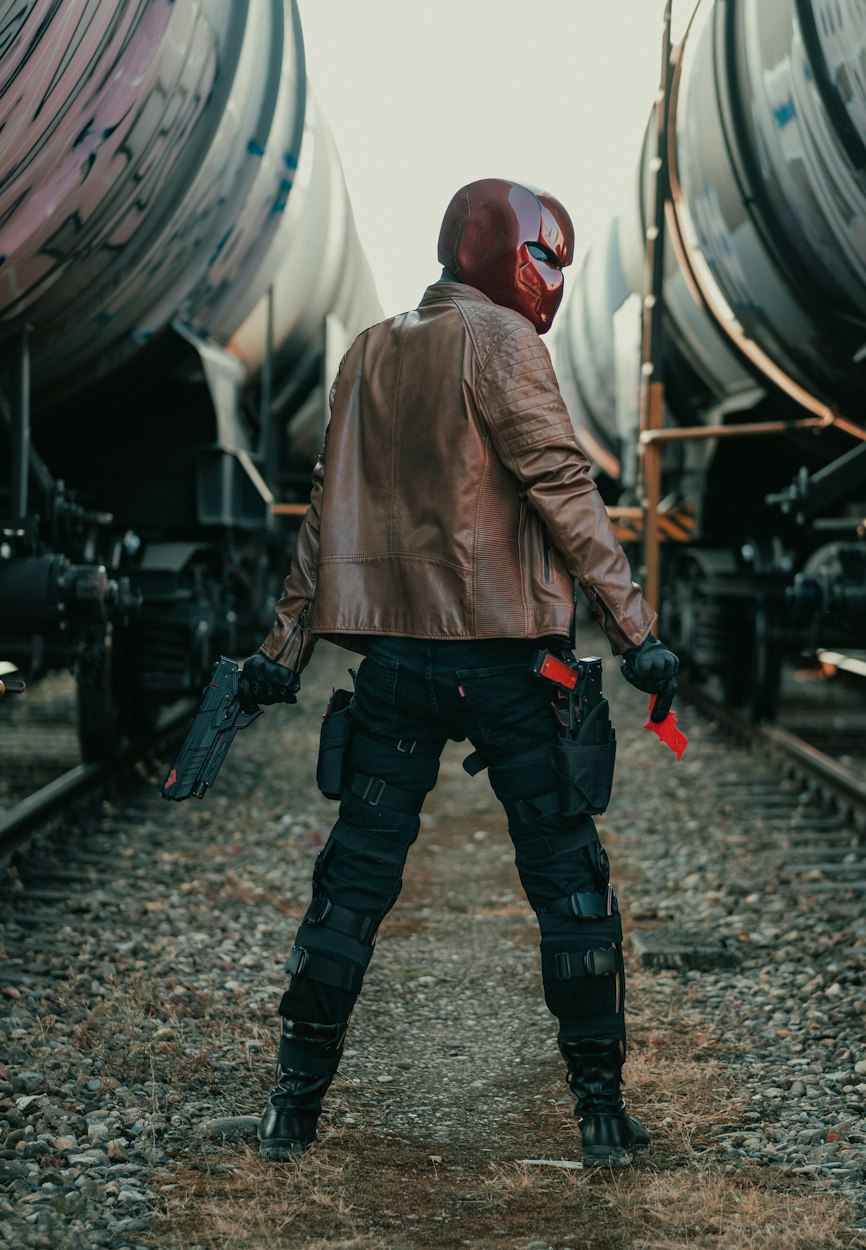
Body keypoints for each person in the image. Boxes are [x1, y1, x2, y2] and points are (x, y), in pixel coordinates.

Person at [239, 177, 679, 1168]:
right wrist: (636, 626)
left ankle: (290, 1112)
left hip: (395, 660)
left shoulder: (371, 348)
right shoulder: (503, 342)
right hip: (508, 662)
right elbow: (562, 487)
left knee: (350, 882)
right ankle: (600, 1115)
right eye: (545, 254)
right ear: (500, 253)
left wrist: (282, 650)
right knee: (569, 881)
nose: (553, 277)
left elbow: (321, 513)